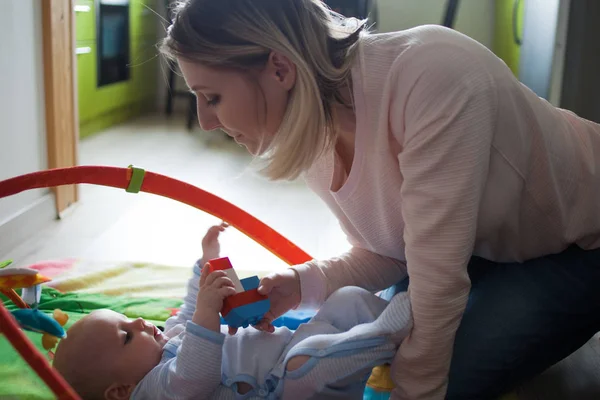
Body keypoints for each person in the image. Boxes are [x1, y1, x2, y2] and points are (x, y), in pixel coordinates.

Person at [159, 1, 600, 399]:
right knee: (381, 338)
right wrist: (300, 284)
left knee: (434, 374)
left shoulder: (431, 75)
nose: (205, 121)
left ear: (279, 68)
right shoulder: (314, 128)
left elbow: (437, 278)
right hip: (487, 245)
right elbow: (393, 249)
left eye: (211, 97)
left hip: (580, 241)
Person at [52, 224, 412, 400]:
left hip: (293, 345)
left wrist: (207, 262)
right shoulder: (153, 391)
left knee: (347, 297)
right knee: (307, 363)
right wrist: (208, 315)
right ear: (120, 391)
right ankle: (382, 335)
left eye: (127, 317)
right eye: (126, 335)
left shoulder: (167, 339)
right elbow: (196, 377)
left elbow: (192, 308)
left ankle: (400, 332)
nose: (141, 321)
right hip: (282, 387)